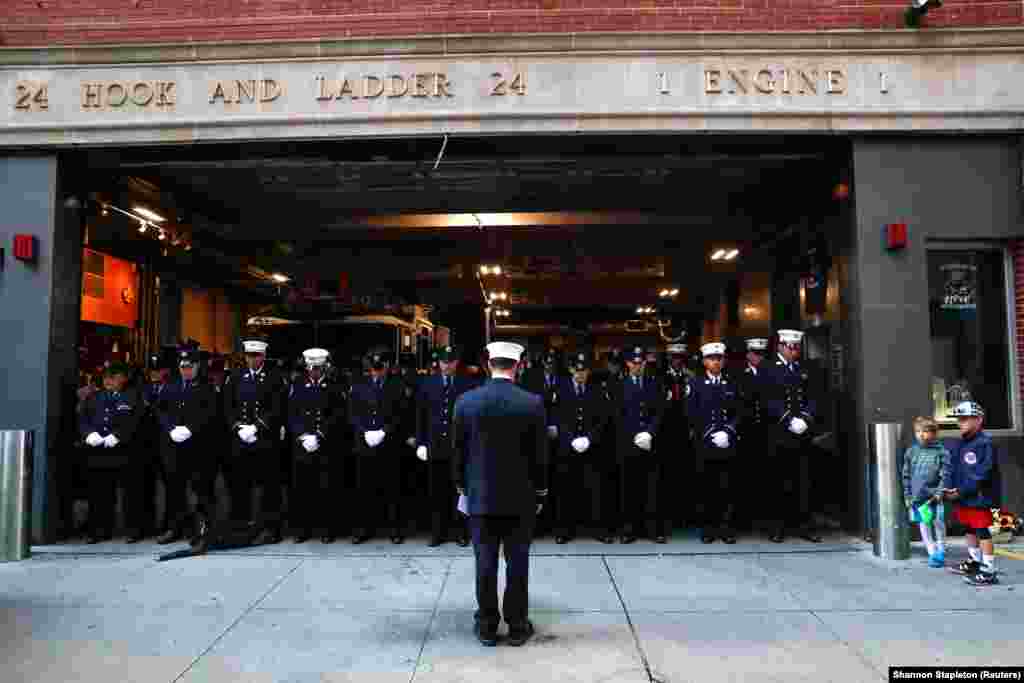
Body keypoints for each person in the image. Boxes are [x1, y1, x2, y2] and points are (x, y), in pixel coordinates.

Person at [453, 341, 547, 647]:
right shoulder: (531, 402)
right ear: (517, 366)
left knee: (485, 562)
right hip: (520, 498)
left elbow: (458, 453)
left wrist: (461, 487)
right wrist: (541, 490)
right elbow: (540, 456)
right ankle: (518, 625)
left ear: (488, 364)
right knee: (517, 563)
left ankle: (487, 626)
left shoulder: (466, 401)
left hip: (480, 496)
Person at [222, 338, 288, 545]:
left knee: (269, 487)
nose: (252, 360)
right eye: (249, 356)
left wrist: (257, 427)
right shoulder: (235, 377)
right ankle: (241, 527)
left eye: (256, 356)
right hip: (241, 438)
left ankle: (270, 529)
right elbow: (227, 405)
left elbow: (278, 408)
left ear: (264, 356)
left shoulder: (275, 378)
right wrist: (237, 427)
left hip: (264, 440)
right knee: (240, 485)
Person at [761, 329, 822, 543]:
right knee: (778, 482)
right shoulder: (768, 368)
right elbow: (766, 399)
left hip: (802, 432)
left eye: (797, 347)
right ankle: (777, 527)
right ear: (780, 346)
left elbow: (814, 396)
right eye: (790, 346)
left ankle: (805, 526)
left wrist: (806, 418)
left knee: (803, 481)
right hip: (779, 432)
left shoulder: (804, 368)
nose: (794, 350)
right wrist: (788, 420)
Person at [155, 348, 217, 545]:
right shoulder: (170, 385)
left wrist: (191, 428)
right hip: (173, 445)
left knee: (200, 489)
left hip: (197, 446)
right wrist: (170, 428)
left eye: (189, 367)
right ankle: (174, 527)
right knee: (174, 489)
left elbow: (210, 412)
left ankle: (200, 530)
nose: (185, 370)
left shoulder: (206, 386)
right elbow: (160, 410)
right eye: (182, 367)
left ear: (197, 366)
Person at [415, 345, 475, 547]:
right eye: (443, 361)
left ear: (456, 363)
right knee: (436, 491)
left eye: (450, 362)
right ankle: (437, 532)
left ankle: (460, 532)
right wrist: (421, 442)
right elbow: (420, 415)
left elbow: (472, 417)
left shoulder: (467, 384)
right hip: (435, 445)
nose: (446, 365)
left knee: (459, 491)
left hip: (459, 445)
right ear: (438, 362)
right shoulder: (427, 383)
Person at [78, 361, 144, 543]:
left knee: (130, 495)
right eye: (106, 377)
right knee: (99, 493)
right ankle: (98, 530)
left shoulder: (132, 396)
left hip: (124, 451)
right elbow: (83, 418)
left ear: (123, 378)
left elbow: (137, 420)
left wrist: (119, 436)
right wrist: (88, 434)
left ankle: (133, 530)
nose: (108, 381)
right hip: (99, 452)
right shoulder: (94, 397)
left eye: (113, 377)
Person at [288, 348, 348, 544]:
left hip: (325, 444)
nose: (314, 372)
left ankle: (327, 529)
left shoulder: (333, 386)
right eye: (311, 368)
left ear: (324, 368)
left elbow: (339, 414)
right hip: (304, 444)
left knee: (326, 489)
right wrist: (302, 436)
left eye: (318, 369)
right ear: (307, 367)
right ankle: (302, 529)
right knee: (303, 489)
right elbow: (291, 413)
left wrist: (320, 435)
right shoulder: (298, 384)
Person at [552, 350, 610, 544]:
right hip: (567, 447)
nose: (580, 374)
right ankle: (564, 530)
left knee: (596, 489)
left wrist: (590, 439)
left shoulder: (597, 389)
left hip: (591, 447)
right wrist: (570, 438)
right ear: (570, 370)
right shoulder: (559, 389)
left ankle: (598, 529)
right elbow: (556, 418)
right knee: (566, 490)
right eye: (577, 371)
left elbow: (603, 419)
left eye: (584, 371)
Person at [348, 350, 406, 543]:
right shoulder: (358, 386)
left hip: (388, 443)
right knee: (364, 489)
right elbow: (353, 413)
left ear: (386, 367)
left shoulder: (397, 385)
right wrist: (364, 431)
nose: (375, 373)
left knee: (392, 489)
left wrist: (385, 431)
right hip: (365, 443)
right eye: (372, 369)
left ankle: (394, 529)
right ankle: (363, 529)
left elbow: (402, 414)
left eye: (379, 369)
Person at [612, 347, 667, 543]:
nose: (638, 366)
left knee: (653, 488)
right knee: (629, 488)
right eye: (634, 362)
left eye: (641, 362)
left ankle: (653, 529)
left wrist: (649, 433)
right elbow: (617, 415)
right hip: (629, 443)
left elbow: (660, 411)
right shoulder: (618, 384)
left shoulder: (655, 383)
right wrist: (635, 435)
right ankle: (629, 529)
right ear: (627, 364)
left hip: (651, 443)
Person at [944, 401, 1002, 586]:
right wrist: (949, 487)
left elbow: (981, 474)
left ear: (978, 420)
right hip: (964, 497)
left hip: (979, 497)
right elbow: (954, 468)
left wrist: (960, 491)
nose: (961, 422)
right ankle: (975, 562)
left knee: (982, 531)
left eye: (965, 419)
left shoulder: (984, 444)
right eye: (959, 419)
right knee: (969, 528)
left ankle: (989, 570)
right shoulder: (961, 443)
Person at [687, 342, 741, 544]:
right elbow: (690, 413)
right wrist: (710, 433)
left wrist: (728, 432)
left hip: (727, 443)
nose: (716, 362)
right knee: (706, 488)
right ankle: (708, 528)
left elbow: (739, 412)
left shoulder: (732, 383)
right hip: (706, 444)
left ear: (724, 361)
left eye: (719, 358)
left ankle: (726, 528)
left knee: (727, 487)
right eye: (711, 359)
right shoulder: (695, 383)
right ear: (704, 361)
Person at [522, 348, 562, 537]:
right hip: (538, 433)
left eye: (552, 363)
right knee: (539, 478)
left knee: (557, 479)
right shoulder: (531, 378)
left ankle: (556, 523)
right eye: (546, 363)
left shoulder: (562, 379)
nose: (549, 366)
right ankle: (539, 524)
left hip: (561, 435)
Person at [901, 416, 949, 568]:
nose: (920, 434)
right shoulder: (911, 452)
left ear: (934, 433)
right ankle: (932, 552)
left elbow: (946, 474)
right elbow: (906, 475)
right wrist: (908, 495)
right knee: (924, 523)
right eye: (917, 431)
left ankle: (941, 549)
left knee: (938, 522)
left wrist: (940, 492)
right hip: (918, 497)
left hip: (935, 496)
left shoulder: (942, 452)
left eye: (925, 431)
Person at [737, 338, 769, 532]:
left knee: (766, 475)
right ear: (748, 354)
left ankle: (764, 516)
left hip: (766, 430)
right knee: (745, 475)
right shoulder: (738, 374)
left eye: (761, 353)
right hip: (746, 431)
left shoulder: (770, 372)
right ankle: (746, 517)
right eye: (755, 353)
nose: (758, 357)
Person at [661, 342, 694, 532]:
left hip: (685, 430)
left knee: (684, 474)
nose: (677, 361)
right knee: (666, 474)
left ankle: (683, 516)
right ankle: (668, 516)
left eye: (680, 358)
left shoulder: (690, 377)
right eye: (674, 357)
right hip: (666, 431)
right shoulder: (660, 377)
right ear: (668, 359)